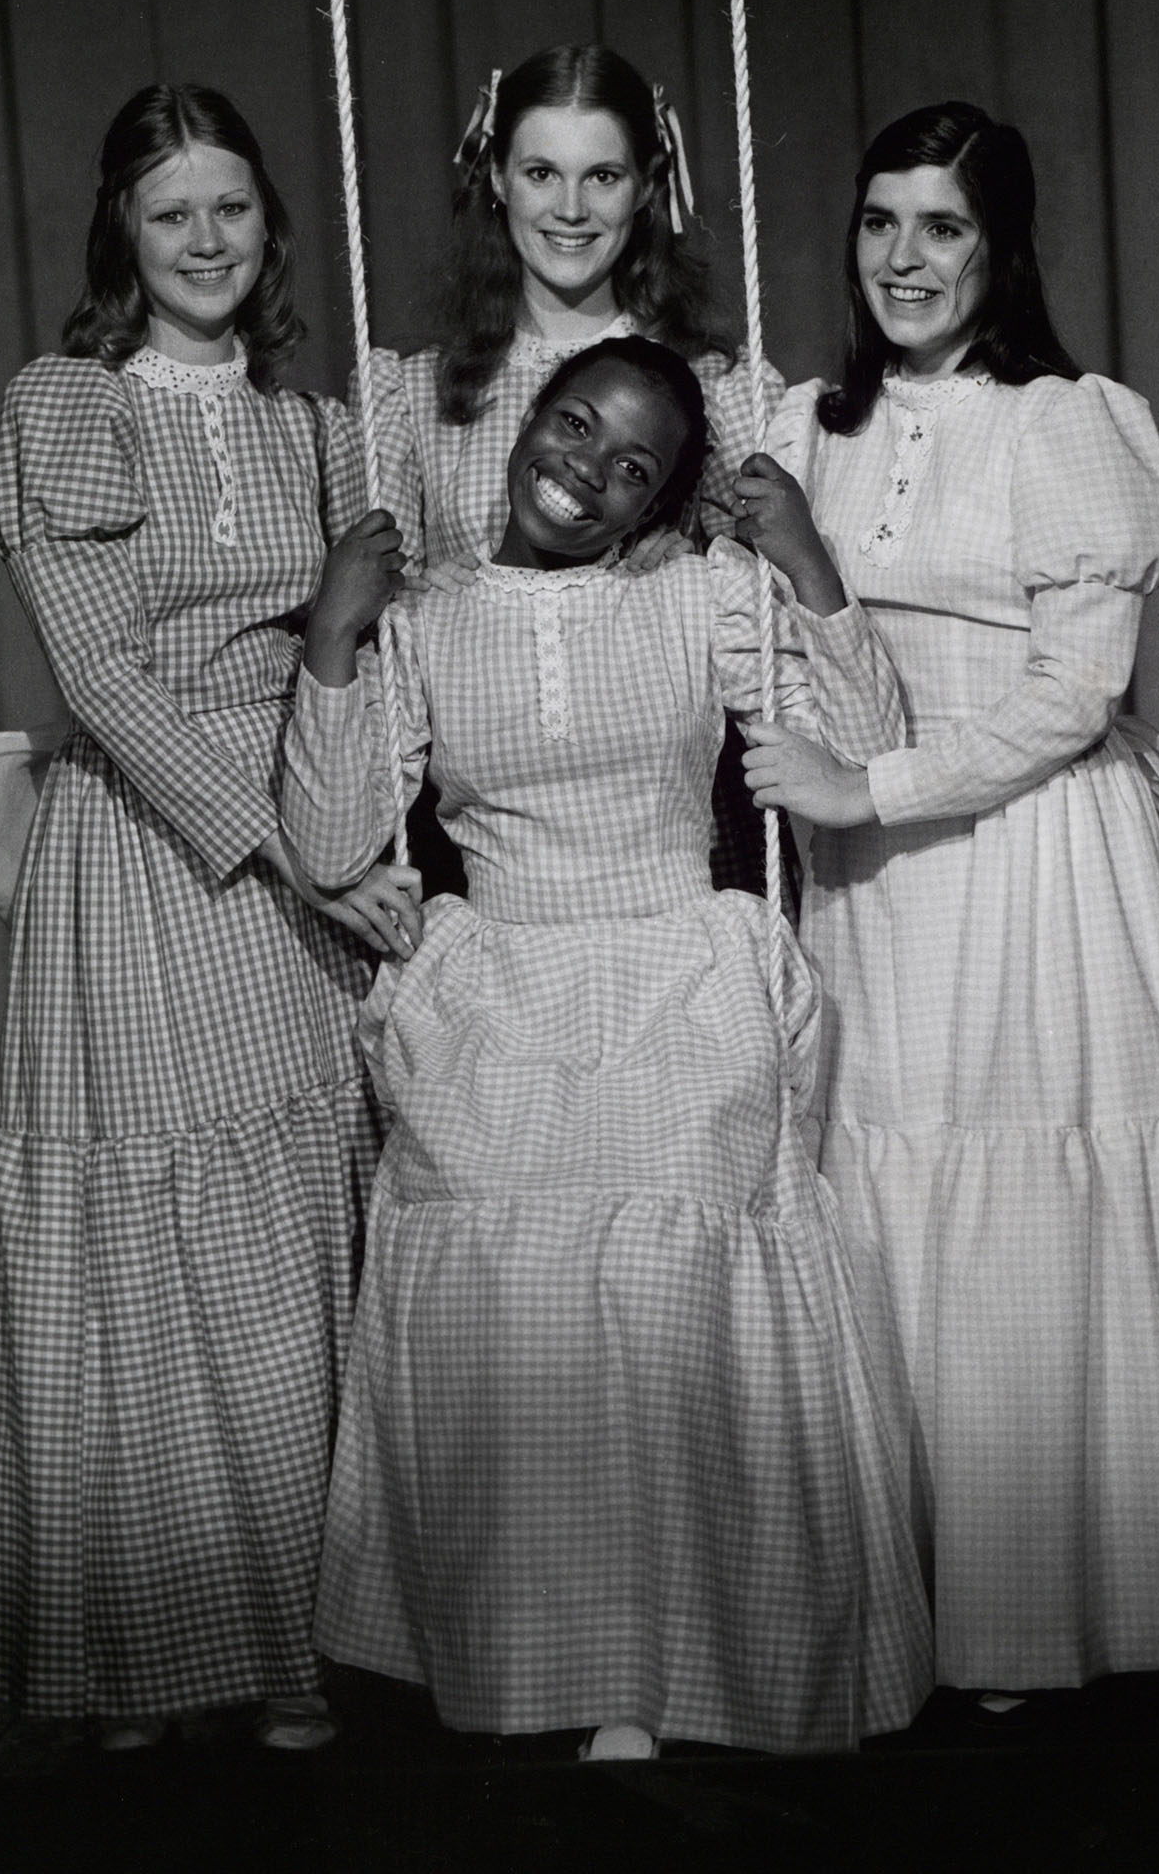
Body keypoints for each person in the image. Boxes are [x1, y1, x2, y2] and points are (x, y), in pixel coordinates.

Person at [280, 336, 933, 1755]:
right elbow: (332, 844)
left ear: (659, 500)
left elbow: (870, 747)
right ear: (531, 419)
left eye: (631, 466)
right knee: (506, 1268)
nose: (583, 474)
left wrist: (806, 562)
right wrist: (332, 638)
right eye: (573, 427)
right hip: (501, 979)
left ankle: (668, 1659)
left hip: (672, 969)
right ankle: (536, 1650)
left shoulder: (702, 594)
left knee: (663, 1250)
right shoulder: (426, 616)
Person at [737, 101, 1159, 1693]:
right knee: (885, 1195)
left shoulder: (1065, 424)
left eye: (944, 228)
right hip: (870, 881)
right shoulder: (802, 423)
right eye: (880, 222)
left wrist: (874, 787)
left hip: (1034, 857)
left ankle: (1039, 1611)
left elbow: (1070, 694)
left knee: (1023, 1211)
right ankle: (915, 1597)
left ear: (1002, 248)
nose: (904, 259)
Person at [0, 85, 421, 1750]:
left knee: (296, 1237)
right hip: (154, 851)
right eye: (170, 213)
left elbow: (365, 644)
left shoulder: (315, 426)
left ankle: (298, 1647)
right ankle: (138, 1648)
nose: (208, 241)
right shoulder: (69, 407)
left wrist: (340, 828)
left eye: (233, 208)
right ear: (120, 235)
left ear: (273, 223)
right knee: (161, 1235)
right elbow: (104, 678)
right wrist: (284, 850)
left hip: (306, 822)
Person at [365, 40, 785, 897]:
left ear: (647, 185)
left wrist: (691, 561)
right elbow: (382, 628)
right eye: (540, 173)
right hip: (486, 846)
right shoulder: (413, 394)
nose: (569, 209)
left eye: (602, 176)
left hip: (668, 844)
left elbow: (773, 616)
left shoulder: (713, 387)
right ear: (496, 178)